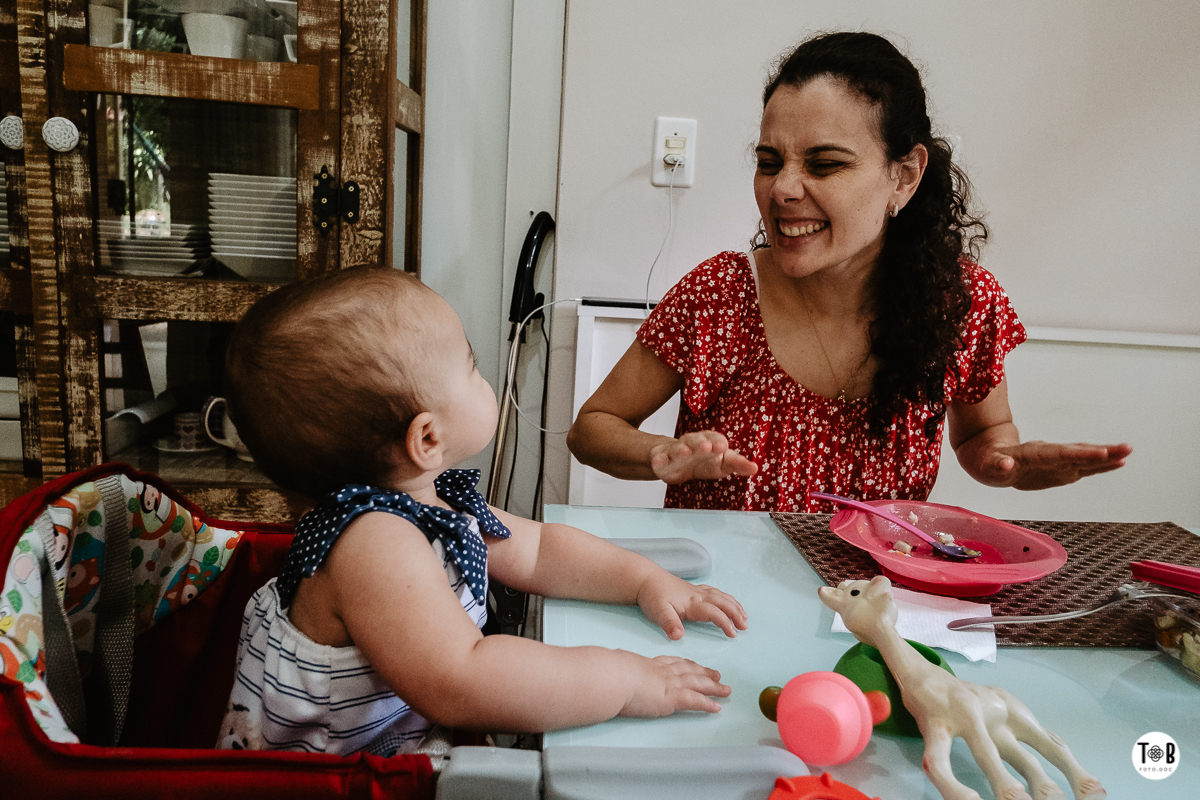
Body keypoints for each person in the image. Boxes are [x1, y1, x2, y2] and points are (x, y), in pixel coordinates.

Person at [567, 31, 1131, 513]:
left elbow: (984, 436)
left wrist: (1007, 465)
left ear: (904, 176)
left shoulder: (959, 301)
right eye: (769, 162)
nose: (782, 189)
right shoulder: (721, 292)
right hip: (723, 610)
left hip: (874, 609)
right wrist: (659, 455)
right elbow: (592, 428)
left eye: (825, 163)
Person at [215, 268, 747, 757]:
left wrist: (643, 581)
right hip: (335, 782)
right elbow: (463, 679)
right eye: (470, 365)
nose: (481, 371)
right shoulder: (374, 543)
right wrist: (628, 681)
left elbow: (540, 551)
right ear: (427, 436)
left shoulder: (432, 498)